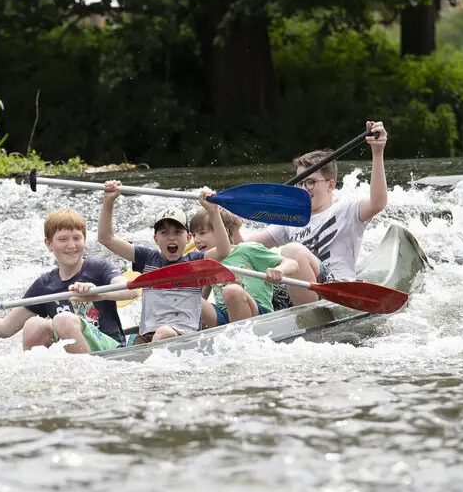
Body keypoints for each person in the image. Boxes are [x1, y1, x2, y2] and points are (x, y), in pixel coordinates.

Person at [0, 209, 137, 354]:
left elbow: (130, 291)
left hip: (111, 348)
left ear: (84, 241)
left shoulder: (97, 267)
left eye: (77, 238)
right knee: (33, 324)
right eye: (63, 239)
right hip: (69, 353)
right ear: (49, 244)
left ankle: (85, 373)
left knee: (63, 319)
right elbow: (5, 328)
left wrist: (98, 293)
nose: (72, 245)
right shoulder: (45, 285)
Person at [243, 120, 389, 306]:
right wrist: (216, 218)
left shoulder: (347, 208)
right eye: (300, 183)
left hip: (335, 290)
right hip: (296, 291)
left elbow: (378, 203)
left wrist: (378, 152)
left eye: (310, 182)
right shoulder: (291, 219)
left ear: (331, 184)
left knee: (293, 250)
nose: (304, 189)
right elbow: (245, 246)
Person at [98, 180, 213, 342]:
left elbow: (224, 250)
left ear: (188, 238)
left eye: (177, 232)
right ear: (155, 239)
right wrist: (108, 201)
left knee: (163, 332)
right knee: (137, 342)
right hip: (149, 336)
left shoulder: (196, 261)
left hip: (186, 336)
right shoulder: (146, 258)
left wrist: (212, 210)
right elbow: (106, 239)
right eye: (164, 232)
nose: (171, 237)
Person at [190, 204, 300, 327]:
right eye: (194, 235)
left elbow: (293, 263)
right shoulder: (209, 262)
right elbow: (202, 297)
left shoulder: (247, 249)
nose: (196, 240)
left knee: (231, 291)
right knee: (188, 297)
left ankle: (240, 341)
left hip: (257, 313)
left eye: (202, 233)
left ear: (224, 232)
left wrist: (279, 269)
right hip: (225, 317)